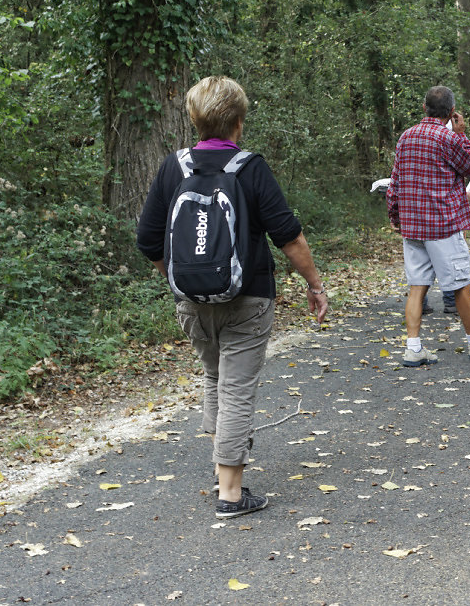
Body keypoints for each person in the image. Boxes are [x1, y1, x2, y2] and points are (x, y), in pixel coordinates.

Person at [137, 75, 329, 519]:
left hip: (192, 304)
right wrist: (314, 285)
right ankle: (230, 493)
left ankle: (221, 464)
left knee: (214, 378)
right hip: (249, 298)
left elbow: (148, 240)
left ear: (194, 120)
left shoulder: (174, 167)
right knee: (237, 389)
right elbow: (288, 235)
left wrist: (183, 278)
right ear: (238, 123)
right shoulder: (249, 167)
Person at [386, 85, 470, 366]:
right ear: (452, 112)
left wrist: (395, 217)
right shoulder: (449, 137)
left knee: (417, 286)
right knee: (460, 284)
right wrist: (462, 134)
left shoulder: (406, 137)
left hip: (413, 225)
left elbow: (395, 182)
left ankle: (413, 347)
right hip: (442, 224)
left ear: (424, 108)